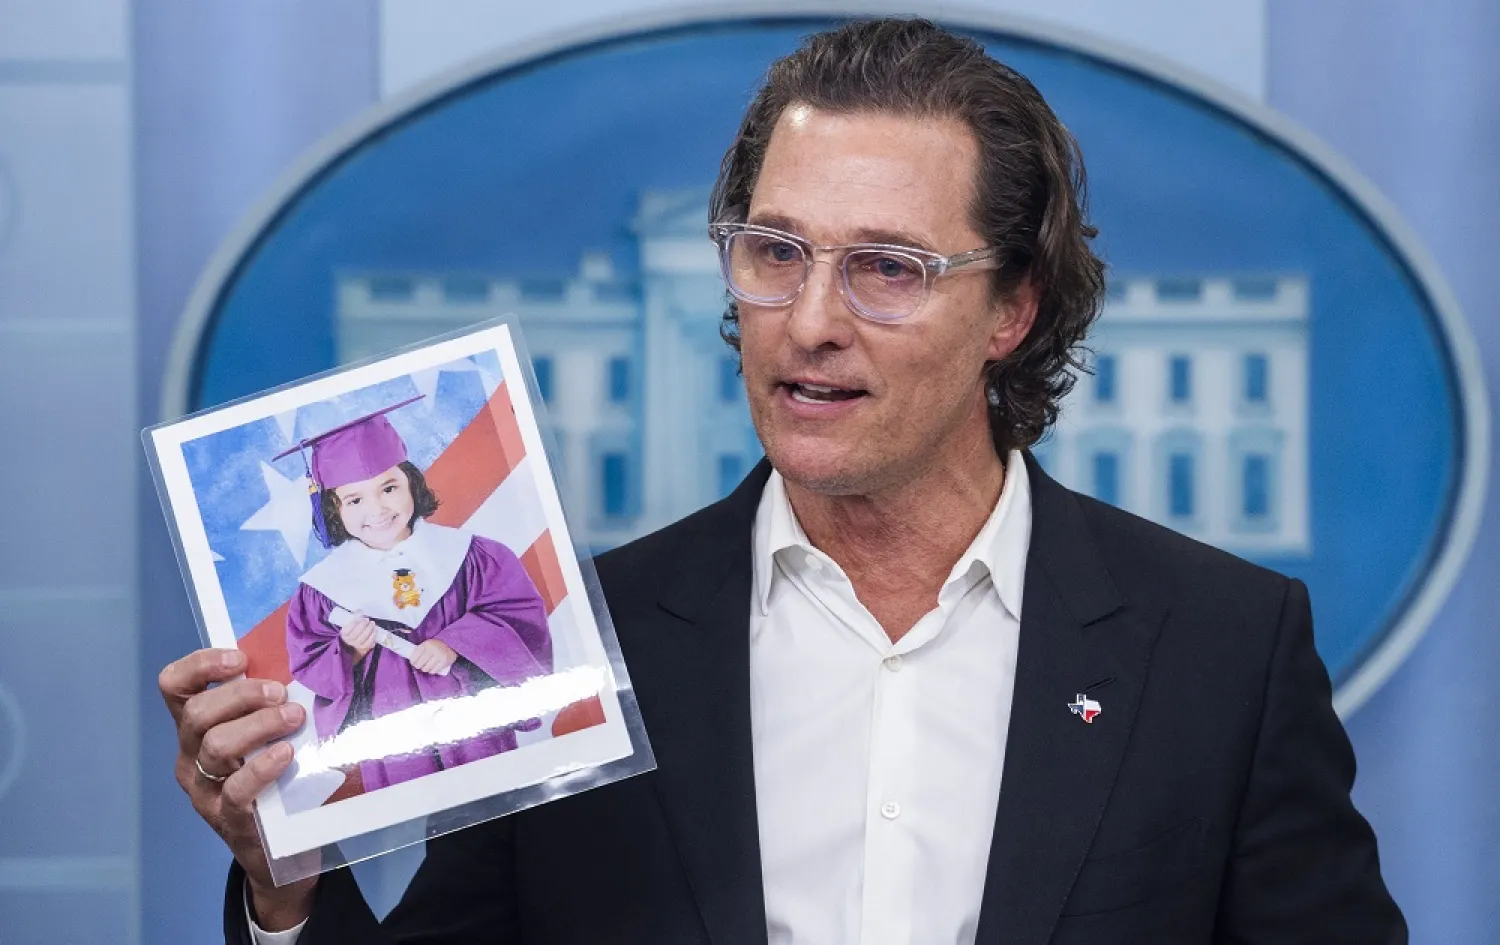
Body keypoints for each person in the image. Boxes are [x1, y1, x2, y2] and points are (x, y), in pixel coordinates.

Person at [158, 18, 1407, 944]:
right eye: (776, 252)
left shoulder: (1222, 649)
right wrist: (288, 892)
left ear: (1014, 308)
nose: (809, 320)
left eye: (889, 268)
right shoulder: (576, 646)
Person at [272, 396, 553, 803]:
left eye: (389, 487)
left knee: (502, 805)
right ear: (332, 509)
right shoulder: (321, 590)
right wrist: (348, 651)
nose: (378, 509)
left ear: (412, 483)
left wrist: (454, 642)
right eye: (354, 500)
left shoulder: (474, 555)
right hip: (393, 735)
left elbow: (518, 614)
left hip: (471, 718)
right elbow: (310, 660)